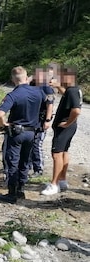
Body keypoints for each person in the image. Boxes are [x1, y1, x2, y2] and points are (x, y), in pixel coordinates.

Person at [0, 66, 46, 203]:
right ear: (26, 77)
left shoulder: (13, 95)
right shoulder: (38, 92)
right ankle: (21, 190)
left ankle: (12, 193)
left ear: (13, 79)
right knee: (25, 161)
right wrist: (45, 121)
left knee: (12, 161)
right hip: (31, 132)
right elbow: (48, 105)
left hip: (16, 133)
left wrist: (4, 124)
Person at [41, 67, 83, 195]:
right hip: (69, 127)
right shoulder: (73, 90)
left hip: (65, 127)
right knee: (64, 152)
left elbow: (76, 111)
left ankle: (54, 184)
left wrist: (67, 123)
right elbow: (66, 95)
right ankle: (62, 180)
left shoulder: (72, 91)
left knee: (56, 154)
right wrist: (59, 87)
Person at [29, 68, 55, 176]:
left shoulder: (47, 89)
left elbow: (50, 105)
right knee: (29, 143)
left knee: (36, 143)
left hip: (41, 120)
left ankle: (38, 168)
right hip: (31, 120)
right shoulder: (31, 86)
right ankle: (28, 165)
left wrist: (48, 120)